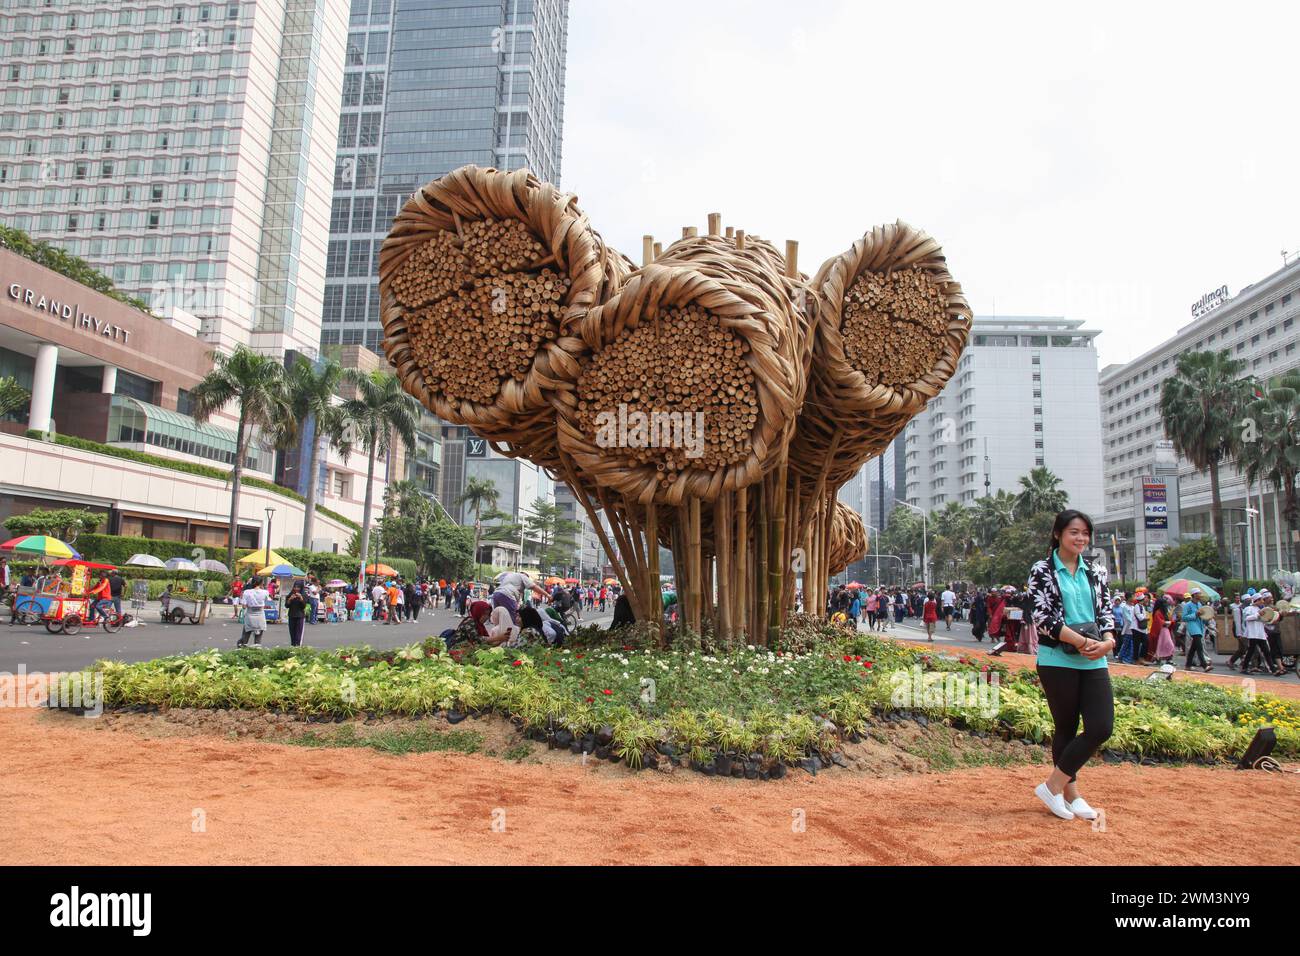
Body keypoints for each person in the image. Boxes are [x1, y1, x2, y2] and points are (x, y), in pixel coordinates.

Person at [1027, 509, 1116, 822]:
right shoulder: (1043, 570)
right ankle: (1071, 795)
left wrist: (1108, 642)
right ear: (1058, 534)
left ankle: (1052, 787)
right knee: (1066, 726)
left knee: (1101, 727)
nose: (1080, 538)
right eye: (1074, 532)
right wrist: (1080, 641)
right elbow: (1042, 617)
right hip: (1057, 658)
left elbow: (1106, 611)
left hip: (1094, 658)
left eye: (1085, 533)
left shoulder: (1096, 571)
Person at [1240, 595, 1283, 676]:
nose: (1263, 602)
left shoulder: (1260, 609)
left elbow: (1263, 621)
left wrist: (1270, 621)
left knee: (1266, 651)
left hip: (1260, 634)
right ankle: (1244, 668)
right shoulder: (1249, 609)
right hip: (1253, 633)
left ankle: (1273, 670)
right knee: (1251, 651)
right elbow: (1247, 618)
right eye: (1261, 600)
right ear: (1257, 600)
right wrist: (1258, 615)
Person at [1181, 589, 1212, 673]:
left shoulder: (1199, 604)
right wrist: (1195, 614)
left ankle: (1188, 665)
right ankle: (1204, 665)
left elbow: (1202, 616)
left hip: (1199, 626)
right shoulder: (1187, 605)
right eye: (1198, 593)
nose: (1200, 595)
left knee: (1193, 648)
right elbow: (1184, 617)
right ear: (1194, 595)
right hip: (1192, 626)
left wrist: (1207, 618)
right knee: (1199, 646)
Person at [238, 577, 269, 648]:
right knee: (258, 640)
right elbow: (266, 602)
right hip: (260, 616)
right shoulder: (265, 592)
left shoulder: (247, 592)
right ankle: (257, 651)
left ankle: (241, 649)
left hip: (249, 616)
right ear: (261, 583)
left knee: (245, 638)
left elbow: (244, 606)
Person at [285, 583, 307, 647]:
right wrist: (290, 599)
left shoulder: (304, 595)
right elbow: (286, 605)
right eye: (295, 587)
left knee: (298, 633)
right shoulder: (290, 594)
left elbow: (304, 606)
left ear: (301, 588)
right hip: (291, 615)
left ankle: (297, 646)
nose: (296, 589)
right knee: (292, 633)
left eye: (298, 587)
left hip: (300, 616)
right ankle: (293, 646)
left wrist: (301, 598)